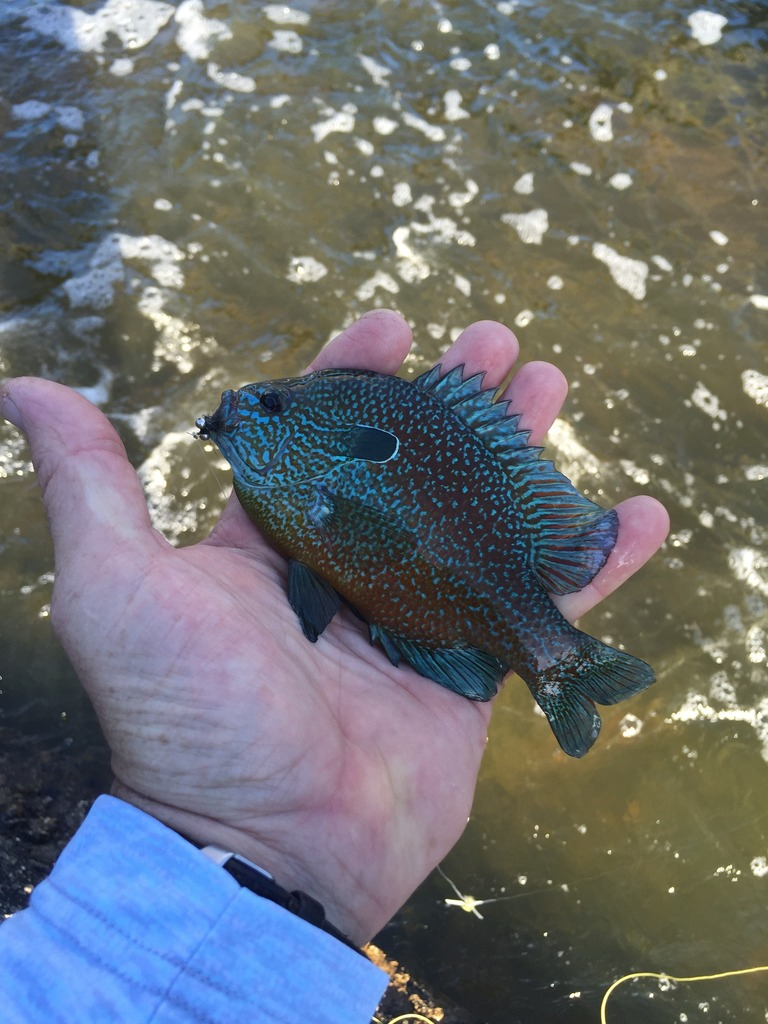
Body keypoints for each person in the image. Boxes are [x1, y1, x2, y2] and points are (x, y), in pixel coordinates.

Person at [0, 311, 669, 1022]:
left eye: (272, 405)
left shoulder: (301, 475)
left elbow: (349, 534)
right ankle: (556, 661)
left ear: (321, 435)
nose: (246, 409)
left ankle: (558, 663)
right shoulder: (296, 475)